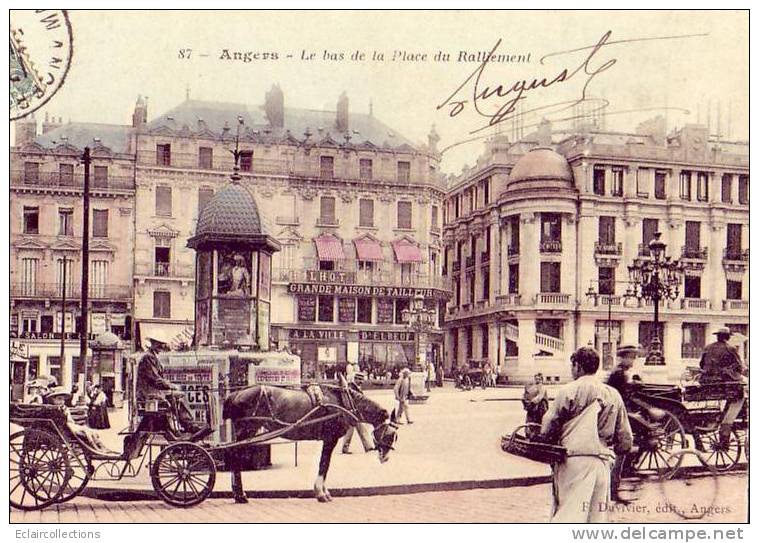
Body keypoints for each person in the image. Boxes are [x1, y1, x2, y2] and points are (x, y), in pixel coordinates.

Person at [539, 347, 633, 523]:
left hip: (573, 462)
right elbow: (625, 440)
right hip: (602, 465)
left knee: (568, 517)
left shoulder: (568, 391)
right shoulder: (613, 394)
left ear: (577, 366)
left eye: (572, 365)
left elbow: (548, 427)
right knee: (595, 521)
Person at [136, 335, 209, 437]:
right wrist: (171, 386)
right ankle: (189, 425)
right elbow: (156, 380)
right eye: (158, 344)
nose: (161, 346)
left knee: (178, 395)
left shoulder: (152, 356)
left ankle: (185, 426)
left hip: (154, 392)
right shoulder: (148, 357)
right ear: (153, 344)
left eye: (161, 344)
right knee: (178, 396)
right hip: (149, 394)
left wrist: (170, 385)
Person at [606, 343, 643, 504]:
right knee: (620, 453)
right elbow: (622, 396)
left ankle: (614, 489)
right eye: (632, 357)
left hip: (618, 412)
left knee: (621, 453)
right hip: (619, 414)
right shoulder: (620, 374)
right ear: (624, 357)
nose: (633, 360)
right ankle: (613, 491)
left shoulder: (619, 372)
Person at [699, 327, 747, 444]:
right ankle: (730, 423)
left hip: (707, 382)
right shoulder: (730, 348)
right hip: (723, 383)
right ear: (728, 337)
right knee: (743, 389)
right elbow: (739, 367)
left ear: (717, 336)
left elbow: (701, 364)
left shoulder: (708, 347)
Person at [341, 369, 375, 454]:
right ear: (355, 379)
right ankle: (346, 447)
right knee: (350, 430)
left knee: (360, 429)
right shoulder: (352, 387)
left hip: (356, 412)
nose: (361, 381)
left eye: (362, 379)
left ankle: (368, 446)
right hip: (352, 412)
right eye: (359, 379)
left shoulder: (356, 387)